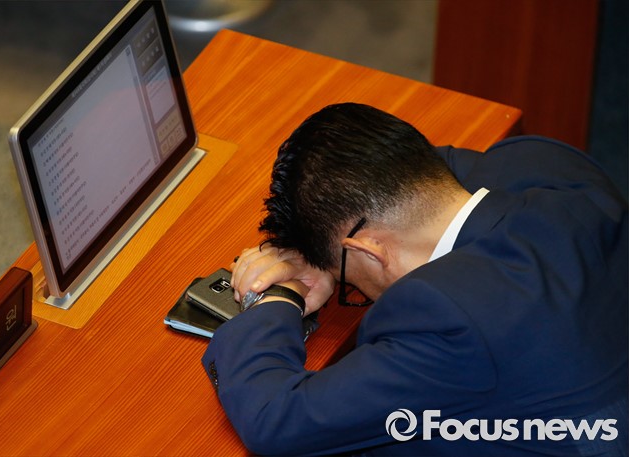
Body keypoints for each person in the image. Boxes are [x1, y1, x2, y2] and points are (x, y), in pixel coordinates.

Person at [201, 103, 628, 456]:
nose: (351, 289)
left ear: (370, 250)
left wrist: (282, 295)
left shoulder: (445, 318)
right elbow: (421, 169)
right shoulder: (548, 167)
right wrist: (327, 251)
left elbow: (277, 420)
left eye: (348, 279)